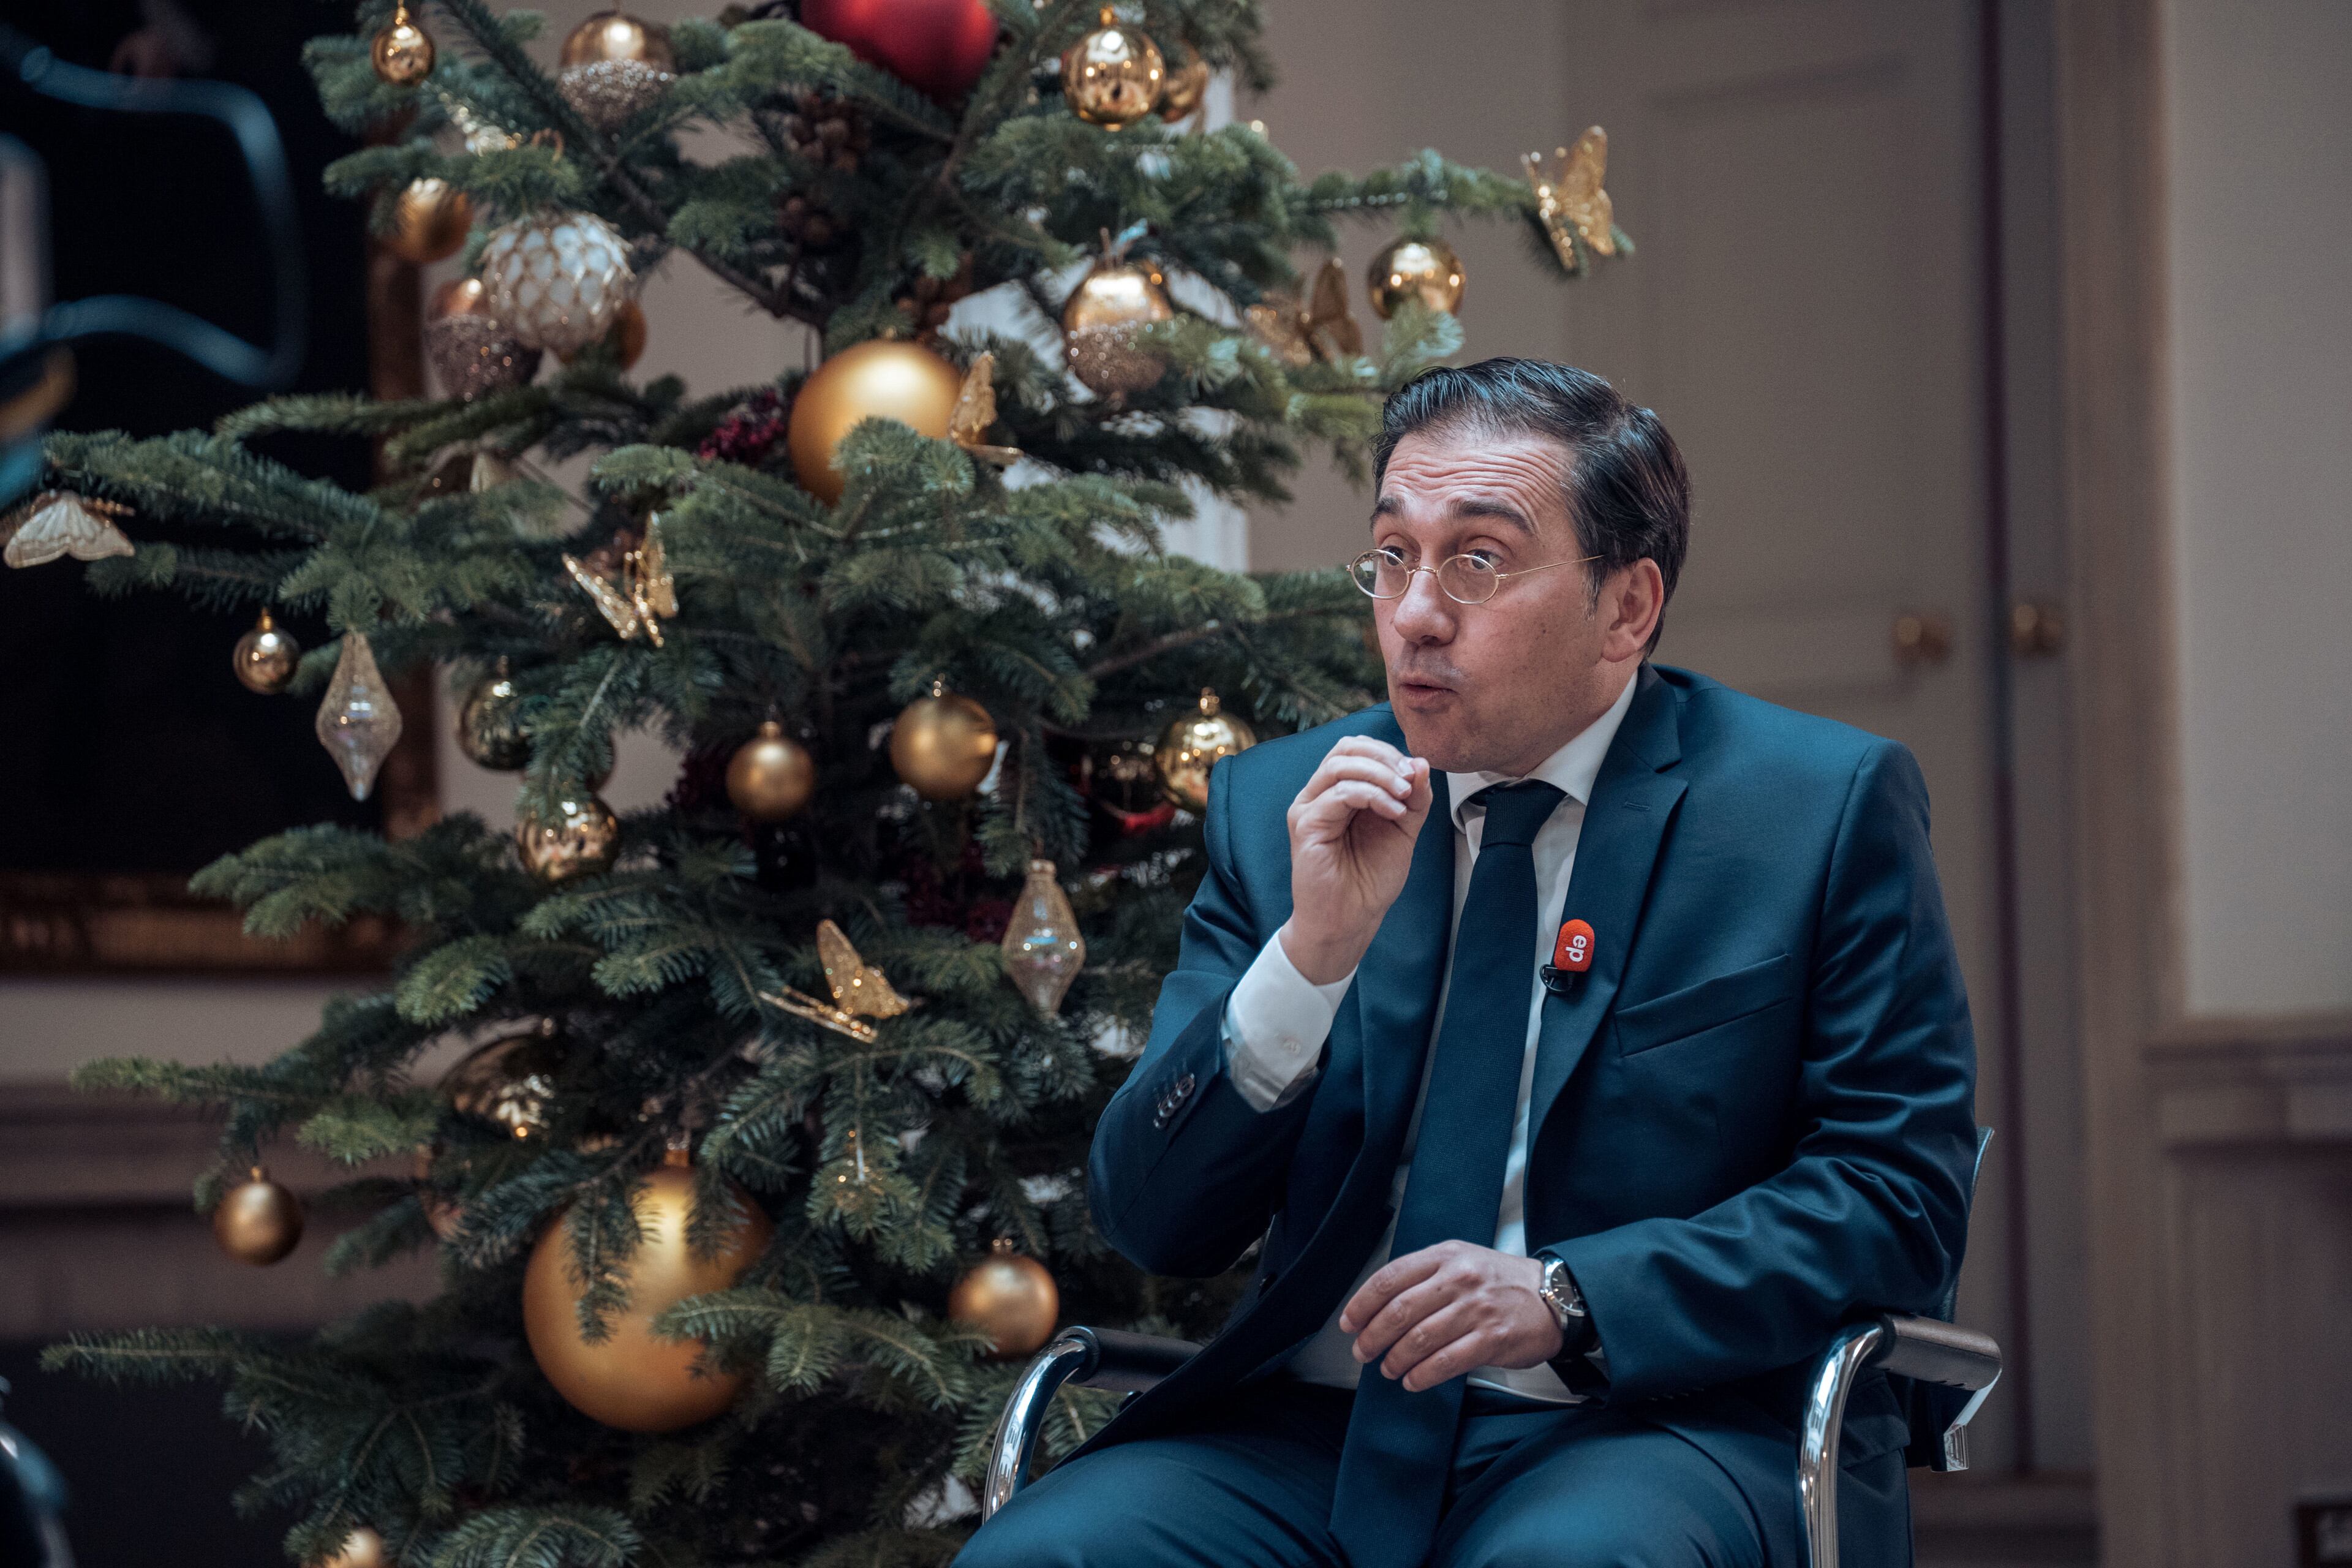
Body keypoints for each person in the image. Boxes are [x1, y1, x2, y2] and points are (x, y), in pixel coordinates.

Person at [957, 358, 1978, 1568]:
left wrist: (1570, 1295)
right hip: (1310, 1433)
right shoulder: (1285, 807)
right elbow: (1152, 1218)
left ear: (1627, 607)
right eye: (1394, 556)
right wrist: (1311, 956)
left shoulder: (1811, 809)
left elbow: (1896, 1198)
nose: (1416, 614)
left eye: (1478, 562)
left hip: (1650, 1422)